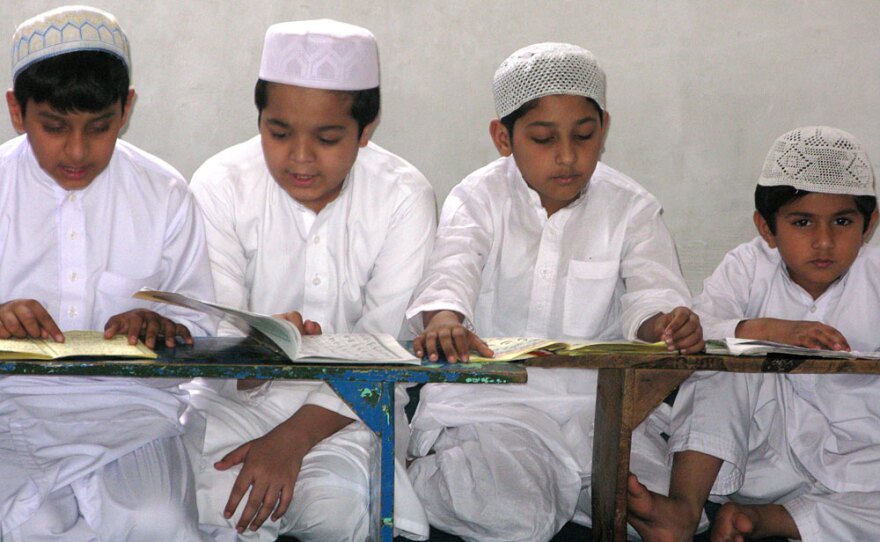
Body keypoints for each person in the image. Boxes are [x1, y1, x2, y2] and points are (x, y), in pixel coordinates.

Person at [405, 42, 704, 542]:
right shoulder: (478, 198)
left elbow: (652, 295)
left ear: (603, 128)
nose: (568, 157)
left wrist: (667, 324)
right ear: (504, 137)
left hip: (602, 412)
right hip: (498, 409)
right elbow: (452, 268)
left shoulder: (631, 207)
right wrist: (444, 318)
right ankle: (444, 476)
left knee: (648, 504)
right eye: (544, 139)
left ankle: (580, 492)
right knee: (512, 514)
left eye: (584, 136)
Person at [185, 19, 436, 542]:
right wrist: (256, 353)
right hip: (233, 405)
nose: (299, 156)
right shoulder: (219, 185)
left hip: (345, 413)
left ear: (366, 131)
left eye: (326, 138)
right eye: (278, 133)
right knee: (203, 501)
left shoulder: (404, 196)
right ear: (259, 120)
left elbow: (383, 346)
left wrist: (291, 441)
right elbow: (222, 335)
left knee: (338, 512)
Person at [0, 6, 218, 541]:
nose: (77, 150)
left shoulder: (164, 195)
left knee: (155, 520)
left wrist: (163, 323)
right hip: (11, 404)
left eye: (99, 128)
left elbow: (204, 329)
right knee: (30, 521)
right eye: (54, 127)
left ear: (127, 109)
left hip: (135, 407)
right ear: (16, 111)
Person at [628, 126, 880, 542]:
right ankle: (684, 509)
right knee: (721, 361)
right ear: (766, 228)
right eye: (802, 222)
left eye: (842, 221)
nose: (824, 241)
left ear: (868, 224)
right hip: (759, 455)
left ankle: (766, 520)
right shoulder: (747, 266)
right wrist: (770, 331)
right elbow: (697, 326)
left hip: (860, 463)